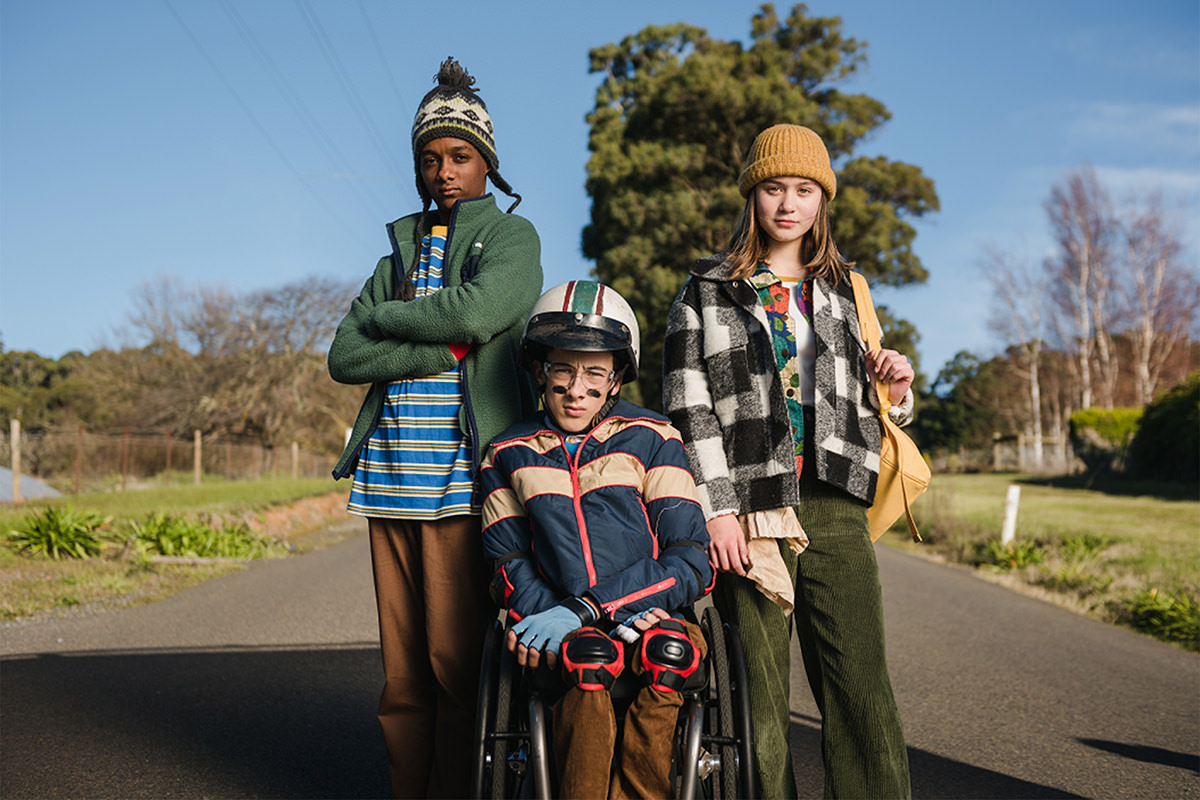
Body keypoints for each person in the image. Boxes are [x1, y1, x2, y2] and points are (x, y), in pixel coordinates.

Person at [663, 124, 915, 799]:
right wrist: (715, 509)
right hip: (750, 504)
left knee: (860, 685)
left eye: (804, 190)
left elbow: (877, 409)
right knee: (760, 697)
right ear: (754, 195)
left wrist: (895, 386)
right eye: (774, 188)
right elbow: (691, 412)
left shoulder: (846, 289)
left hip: (837, 499)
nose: (788, 203)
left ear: (821, 201)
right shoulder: (706, 290)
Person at [327, 57, 542, 799]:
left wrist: (392, 326)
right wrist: (431, 343)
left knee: (456, 666)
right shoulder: (397, 254)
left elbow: (479, 314)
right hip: (388, 482)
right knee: (403, 675)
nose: (444, 171)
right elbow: (345, 355)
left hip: (458, 484)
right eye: (430, 158)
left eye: (460, 157)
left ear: (486, 163)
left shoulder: (513, 241)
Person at [480, 280, 715, 799]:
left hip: (657, 616)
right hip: (561, 622)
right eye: (562, 369)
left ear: (616, 379)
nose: (576, 388)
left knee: (670, 652)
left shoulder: (655, 437)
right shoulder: (506, 453)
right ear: (540, 370)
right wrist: (549, 616)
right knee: (587, 655)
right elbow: (506, 560)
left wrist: (594, 606)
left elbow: (691, 559)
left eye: (594, 372)